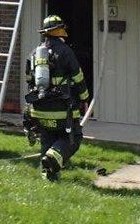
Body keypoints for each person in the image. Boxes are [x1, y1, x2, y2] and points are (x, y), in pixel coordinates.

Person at [24, 14, 90, 181]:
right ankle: (52, 159)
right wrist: (84, 97)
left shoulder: (34, 53)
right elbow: (78, 77)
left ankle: (48, 177)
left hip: (39, 109)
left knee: (47, 139)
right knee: (73, 138)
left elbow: (29, 80)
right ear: (59, 31)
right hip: (62, 110)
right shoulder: (65, 51)